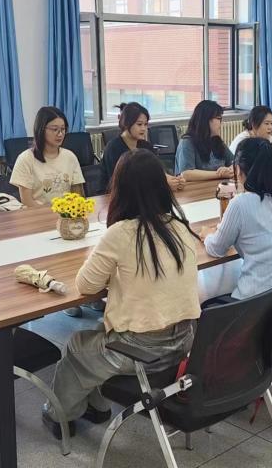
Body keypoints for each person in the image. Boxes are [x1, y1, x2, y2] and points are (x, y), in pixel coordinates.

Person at [42, 149, 201, 439]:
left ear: (121, 189)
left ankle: (60, 415)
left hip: (142, 350)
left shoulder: (121, 233)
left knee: (76, 345)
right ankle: (96, 406)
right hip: (184, 342)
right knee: (96, 332)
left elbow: (85, 286)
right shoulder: (179, 227)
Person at [201, 137, 272, 304]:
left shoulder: (241, 204)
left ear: (239, 169)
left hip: (257, 306)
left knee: (206, 302)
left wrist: (207, 235)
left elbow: (216, 249)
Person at [10, 106, 85, 207]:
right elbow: (27, 201)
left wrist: (70, 211)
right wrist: (50, 213)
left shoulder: (70, 156)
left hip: (65, 213)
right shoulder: (26, 159)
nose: (60, 134)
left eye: (63, 129)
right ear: (41, 129)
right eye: (55, 129)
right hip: (38, 214)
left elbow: (78, 196)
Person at [101, 102, 184, 191]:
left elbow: (159, 171)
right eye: (139, 124)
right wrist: (162, 184)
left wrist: (175, 180)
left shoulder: (146, 146)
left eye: (145, 124)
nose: (143, 128)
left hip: (145, 193)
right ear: (126, 123)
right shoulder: (113, 148)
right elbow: (120, 184)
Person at [175, 100, 235, 181]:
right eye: (219, 118)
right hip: (197, 187)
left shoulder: (216, 140)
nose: (221, 123)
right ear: (205, 120)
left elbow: (235, 162)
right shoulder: (187, 142)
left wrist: (230, 169)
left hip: (218, 185)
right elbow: (186, 174)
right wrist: (219, 174)